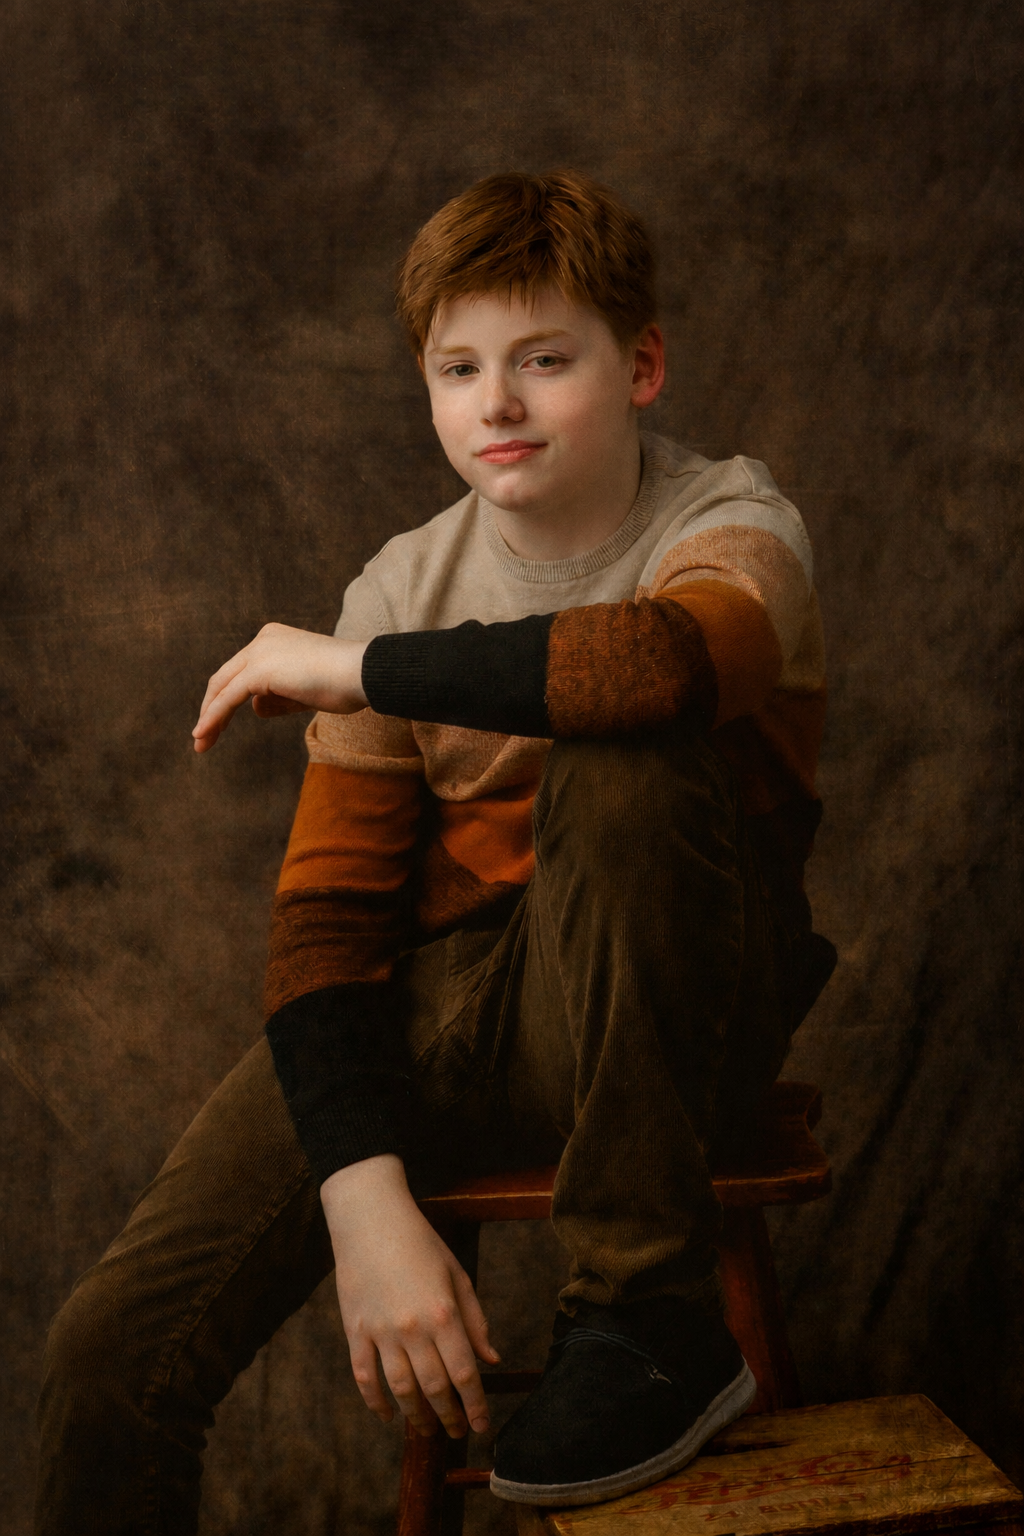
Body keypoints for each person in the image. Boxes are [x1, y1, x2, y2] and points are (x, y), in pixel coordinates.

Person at [35, 170, 832, 1529]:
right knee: (105, 1362)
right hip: (461, 1009)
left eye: (542, 360)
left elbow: (655, 670)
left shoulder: (732, 525)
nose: (496, 406)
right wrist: (364, 1200)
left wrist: (359, 672)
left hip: (681, 999)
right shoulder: (403, 581)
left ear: (639, 366)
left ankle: (649, 1316)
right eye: (458, 369)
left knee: (620, 753)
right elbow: (330, 934)